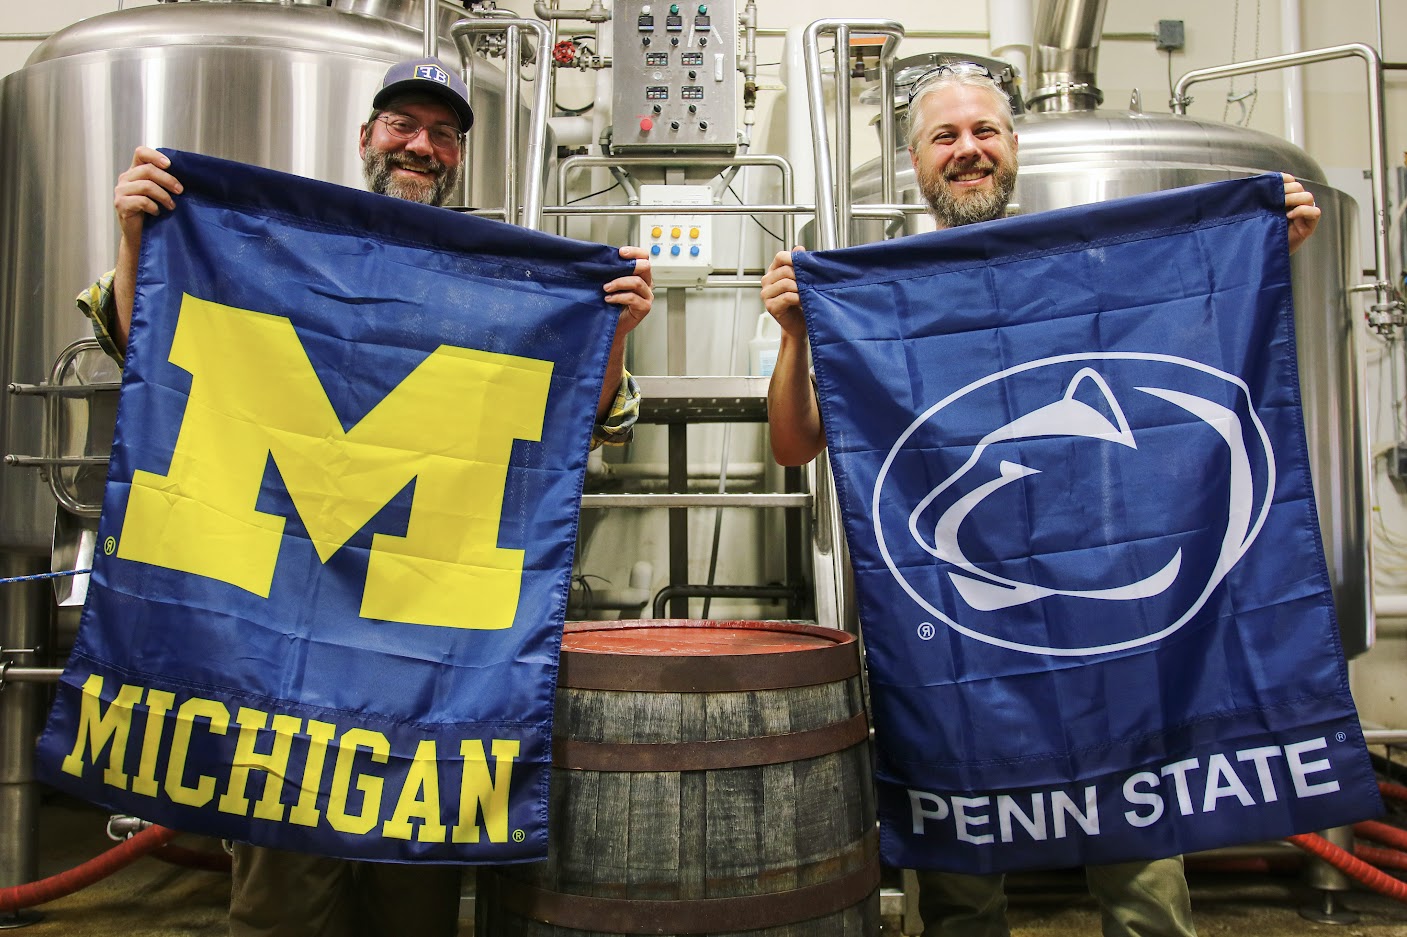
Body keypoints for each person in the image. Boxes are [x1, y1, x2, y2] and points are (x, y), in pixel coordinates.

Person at [76, 56, 653, 937]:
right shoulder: (270, 241)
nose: (420, 144)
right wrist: (137, 236)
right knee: (279, 903)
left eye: (443, 133)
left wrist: (608, 329)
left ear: (460, 155)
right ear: (366, 138)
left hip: (424, 653)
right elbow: (142, 341)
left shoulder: (505, 279)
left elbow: (593, 422)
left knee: (411, 904)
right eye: (401, 125)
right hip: (273, 646)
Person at [759, 63, 1321, 937]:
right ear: (915, 162)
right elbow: (793, 443)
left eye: (983, 131)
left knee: (1140, 858)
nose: (967, 150)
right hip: (956, 629)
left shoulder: (1092, 265)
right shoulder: (873, 294)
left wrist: (1252, 248)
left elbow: (1191, 328)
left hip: (1114, 612)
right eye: (944, 137)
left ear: (1013, 146)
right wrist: (798, 334)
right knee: (959, 868)